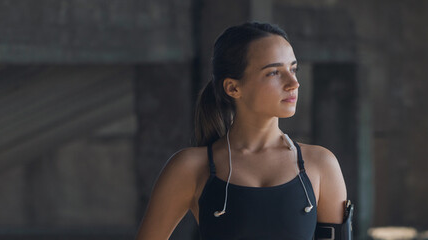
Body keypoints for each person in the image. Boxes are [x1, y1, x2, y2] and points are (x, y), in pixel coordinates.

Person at [135, 22, 351, 240]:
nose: (293, 83)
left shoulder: (321, 165)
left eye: (293, 69)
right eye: (274, 72)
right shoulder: (190, 167)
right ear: (233, 88)